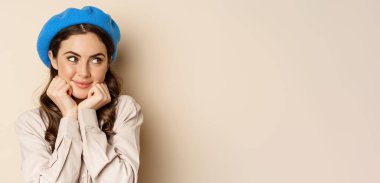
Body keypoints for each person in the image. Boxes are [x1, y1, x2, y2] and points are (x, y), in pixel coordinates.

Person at [14, 6, 143, 183]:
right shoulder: (32, 123)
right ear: (53, 59)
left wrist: (87, 116)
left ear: (108, 62)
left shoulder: (125, 110)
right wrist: (70, 117)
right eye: (72, 58)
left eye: (96, 59)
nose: (83, 72)